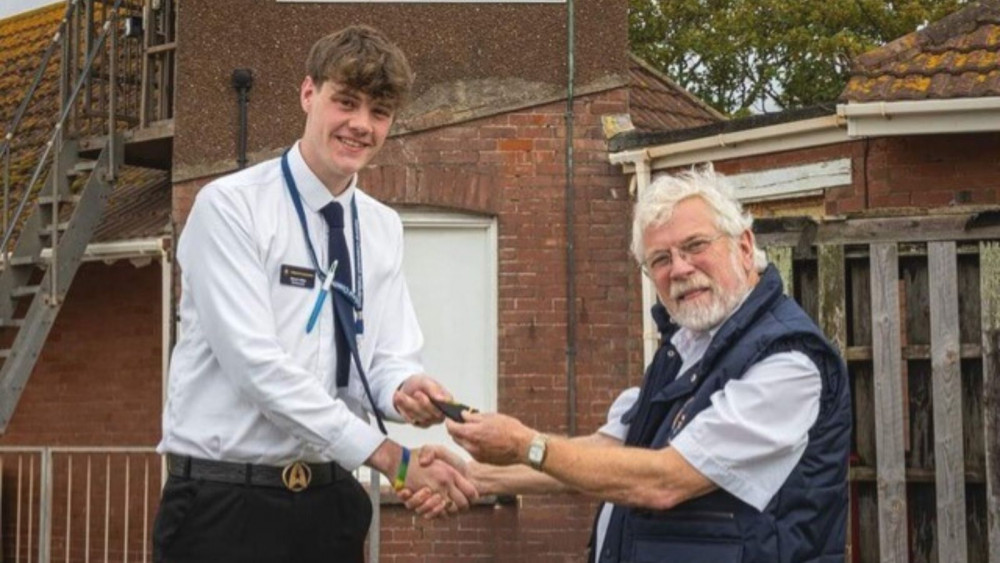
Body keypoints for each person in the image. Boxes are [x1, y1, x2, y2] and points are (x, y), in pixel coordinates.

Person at [153, 25, 476, 563]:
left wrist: (406, 388)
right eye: (345, 103)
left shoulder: (381, 227)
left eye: (379, 112)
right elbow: (257, 367)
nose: (360, 126)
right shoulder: (230, 208)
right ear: (308, 94)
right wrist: (394, 459)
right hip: (225, 509)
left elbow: (387, 353)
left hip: (330, 505)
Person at [430, 167, 851, 562]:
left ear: (743, 247)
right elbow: (609, 454)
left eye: (695, 246)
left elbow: (665, 480)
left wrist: (526, 445)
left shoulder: (787, 361)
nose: (680, 269)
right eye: (661, 260)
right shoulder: (687, 347)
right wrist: (475, 476)